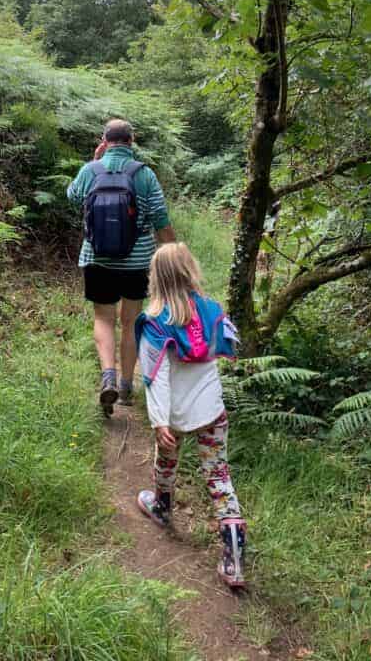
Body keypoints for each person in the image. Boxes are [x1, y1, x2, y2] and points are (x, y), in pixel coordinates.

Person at [134, 242, 247, 589]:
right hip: (212, 412)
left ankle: (162, 507)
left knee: (166, 461)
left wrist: (159, 422)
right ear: (189, 271)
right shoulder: (213, 311)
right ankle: (234, 559)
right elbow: (222, 357)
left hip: (176, 415)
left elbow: (157, 378)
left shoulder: (155, 324)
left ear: (156, 277)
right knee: (219, 476)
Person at [67, 118, 175, 413]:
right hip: (136, 261)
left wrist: (93, 161)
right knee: (130, 321)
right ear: (132, 141)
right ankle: (127, 386)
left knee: (103, 318)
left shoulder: (91, 170)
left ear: (105, 140)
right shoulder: (145, 175)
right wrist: (175, 254)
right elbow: (160, 220)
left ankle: (108, 377)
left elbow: (73, 196)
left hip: (97, 258)